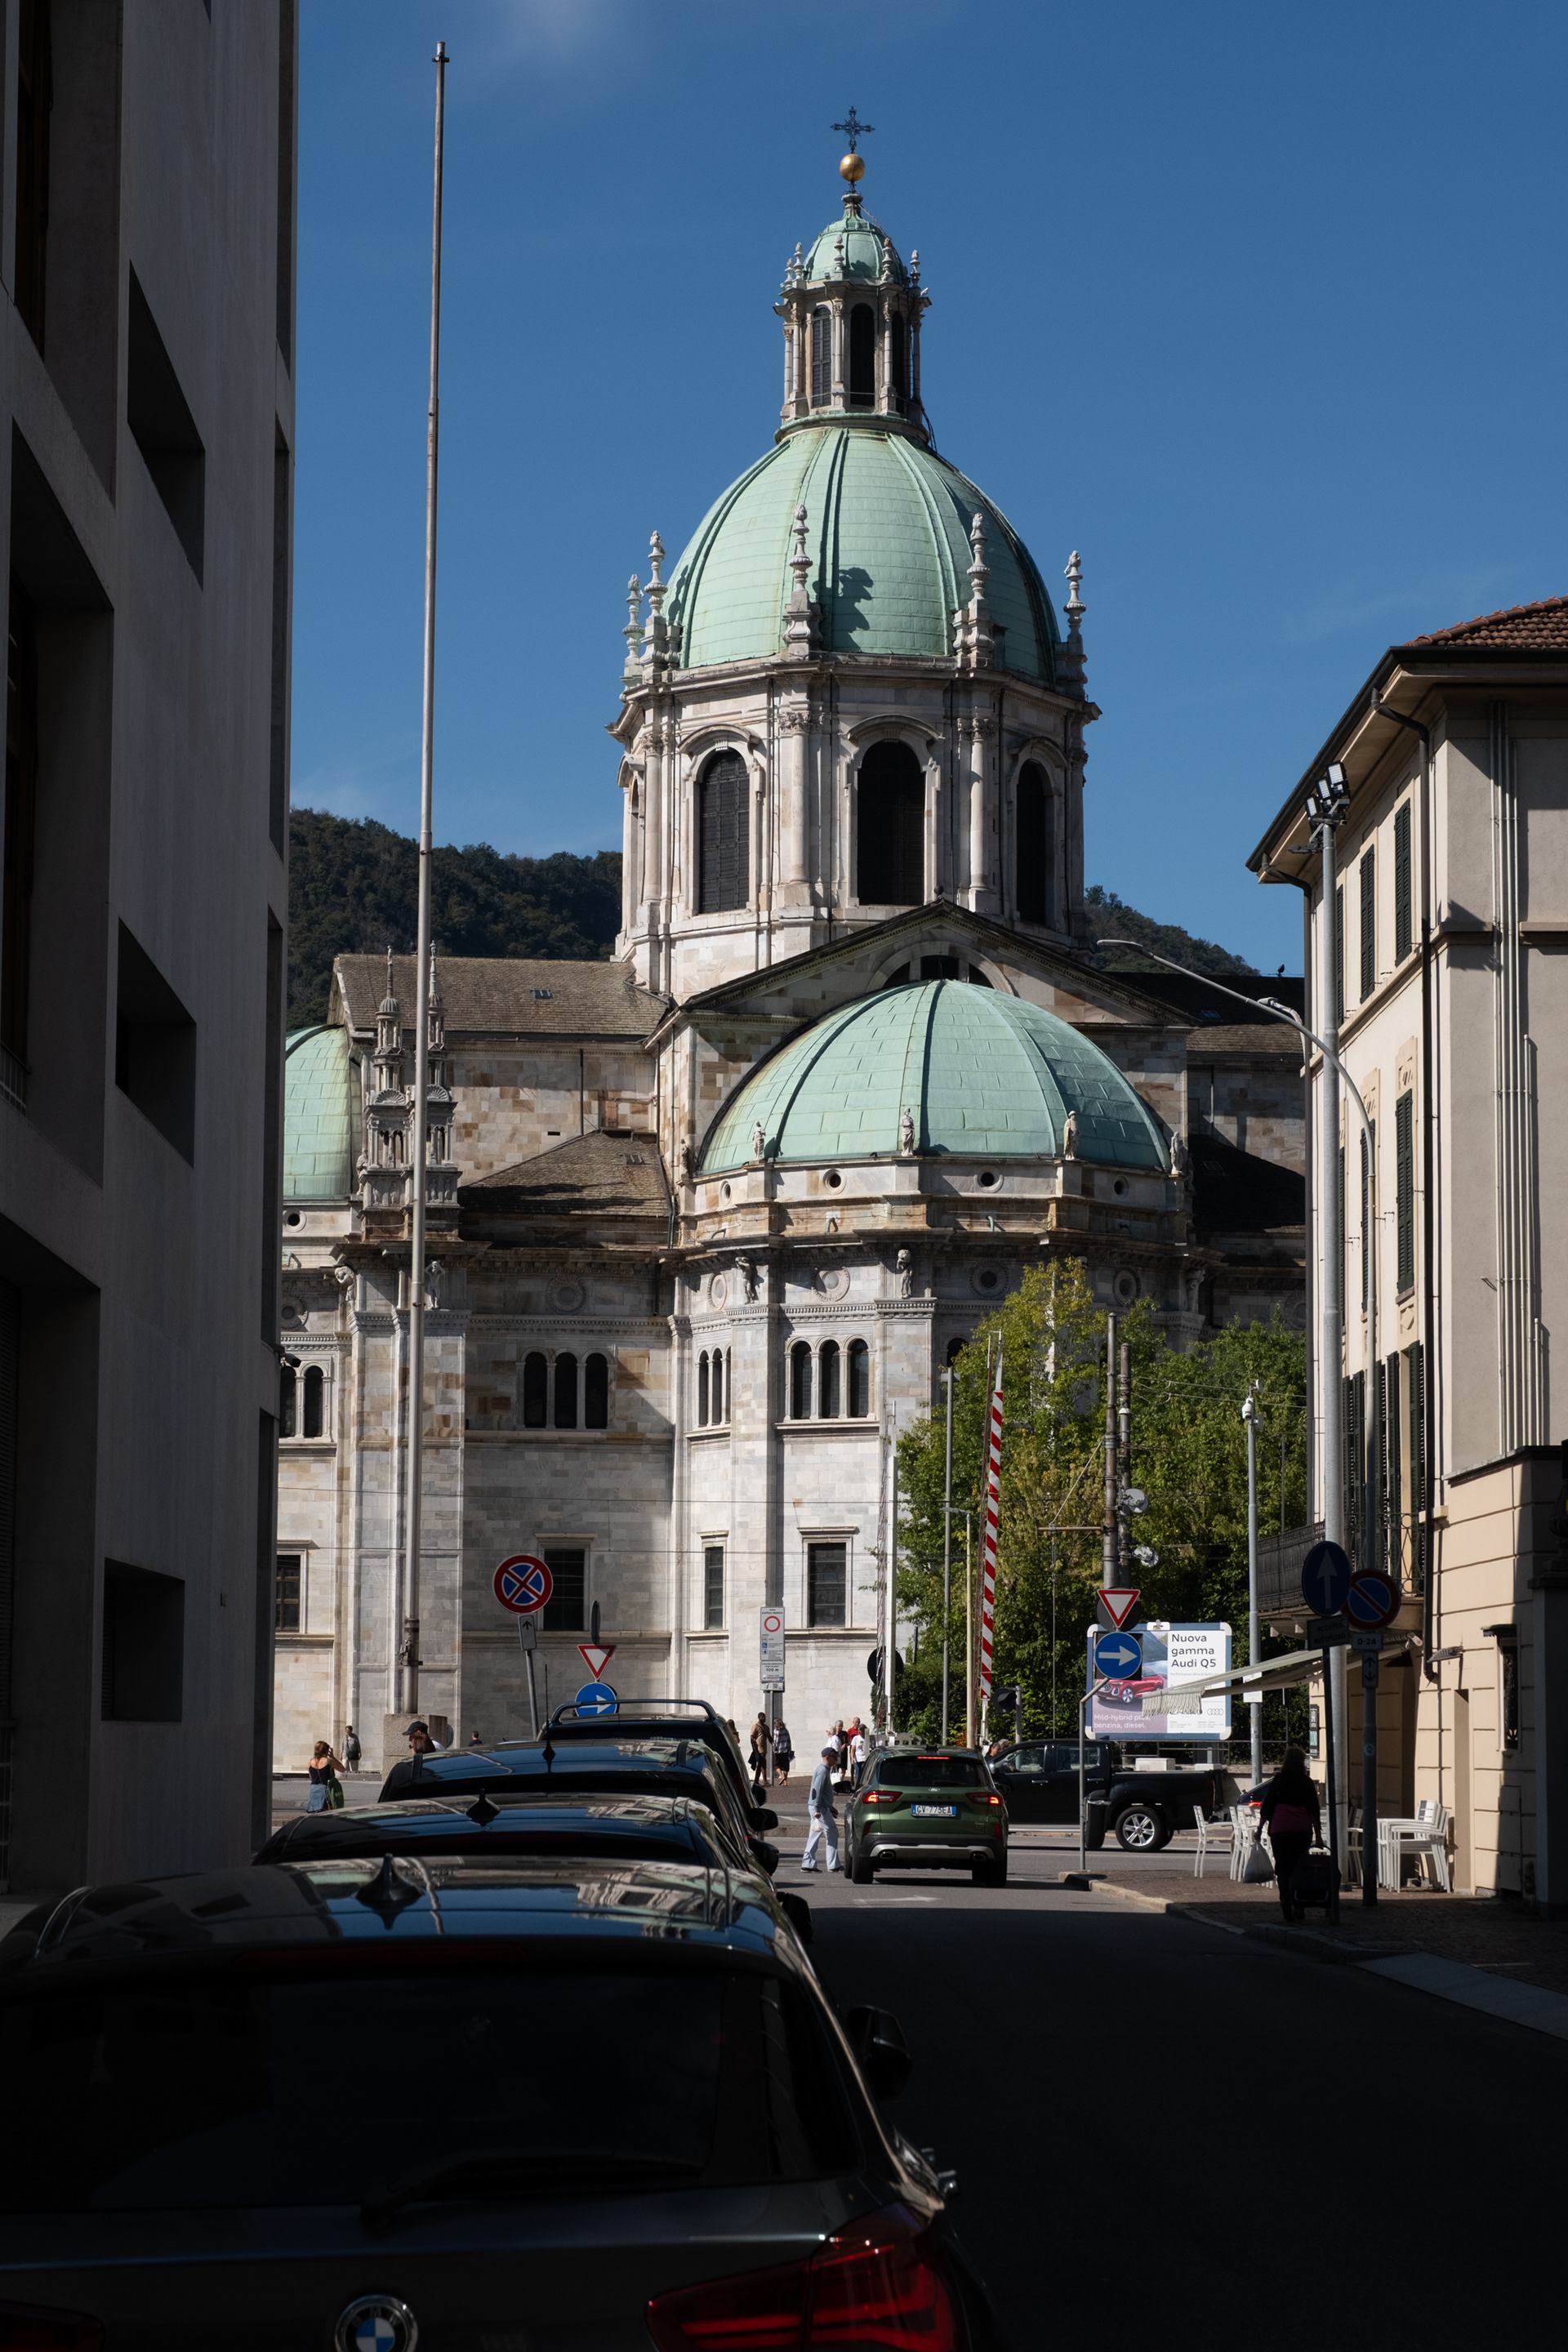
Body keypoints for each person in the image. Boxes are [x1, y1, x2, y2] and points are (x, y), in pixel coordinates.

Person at [1259, 1744, 1322, 1921]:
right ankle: (1299, 1903)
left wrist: (1259, 1829)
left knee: (1283, 1867)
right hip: (1302, 1830)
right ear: (1302, 1762)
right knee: (1299, 1867)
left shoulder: (1279, 1781)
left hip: (1280, 1830)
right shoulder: (1306, 1782)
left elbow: (1268, 1806)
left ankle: (1285, 1899)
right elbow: (1313, 1811)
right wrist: (1318, 1836)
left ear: (1286, 1761)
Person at [801, 1745, 842, 1873]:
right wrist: (817, 1809)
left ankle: (808, 1863)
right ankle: (833, 1864)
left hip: (821, 1807)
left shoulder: (823, 1770)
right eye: (834, 1757)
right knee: (832, 1832)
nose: (836, 1760)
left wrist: (829, 1807)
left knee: (815, 1834)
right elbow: (816, 1791)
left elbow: (820, 1792)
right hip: (820, 1808)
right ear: (827, 1757)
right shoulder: (823, 1771)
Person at [305, 1740, 344, 1813]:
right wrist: (333, 1757)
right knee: (326, 1812)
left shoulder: (310, 1761)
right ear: (325, 1750)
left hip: (313, 1790)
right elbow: (342, 1769)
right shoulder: (329, 1761)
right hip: (326, 1789)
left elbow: (311, 1776)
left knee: (314, 1812)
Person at [749, 1713, 771, 1799]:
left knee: (760, 1766)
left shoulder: (766, 1727)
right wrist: (754, 1748)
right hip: (758, 1749)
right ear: (759, 1718)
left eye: (764, 1717)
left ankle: (756, 1781)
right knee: (763, 1765)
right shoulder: (756, 1727)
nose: (764, 1718)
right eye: (762, 1717)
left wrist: (773, 1742)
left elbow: (769, 1737)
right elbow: (752, 1737)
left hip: (764, 1749)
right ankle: (764, 1781)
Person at [773, 1717, 794, 1786]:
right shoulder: (786, 1730)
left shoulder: (776, 1731)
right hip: (785, 1750)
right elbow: (789, 1740)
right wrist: (789, 1749)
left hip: (778, 1751)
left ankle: (782, 1777)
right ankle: (785, 1781)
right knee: (785, 1766)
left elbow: (775, 1741)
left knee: (776, 1765)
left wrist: (774, 1748)